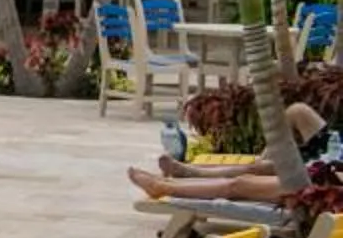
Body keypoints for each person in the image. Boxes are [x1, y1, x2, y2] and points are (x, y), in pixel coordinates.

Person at [126, 103, 340, 202]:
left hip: (331, 189)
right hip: (334, 163)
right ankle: (191, 173)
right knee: (297, 112)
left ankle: (164, 187)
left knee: (242, 184)